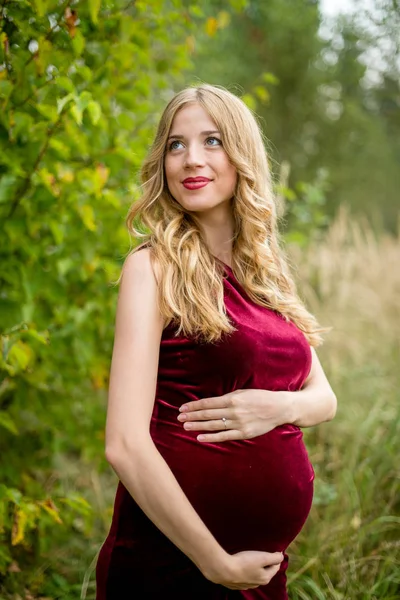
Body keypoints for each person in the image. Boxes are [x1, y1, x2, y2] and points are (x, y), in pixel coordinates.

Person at [95, 83, 337, 599]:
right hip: (175, 564)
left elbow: (324, 399)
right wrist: (214, 562)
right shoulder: (153, 267)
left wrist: (273, 408)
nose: (190, 160)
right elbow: (124, 443)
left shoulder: (266, 273)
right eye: (176, 145)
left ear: (242, 155)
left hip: (260, 572)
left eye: (212, 141)